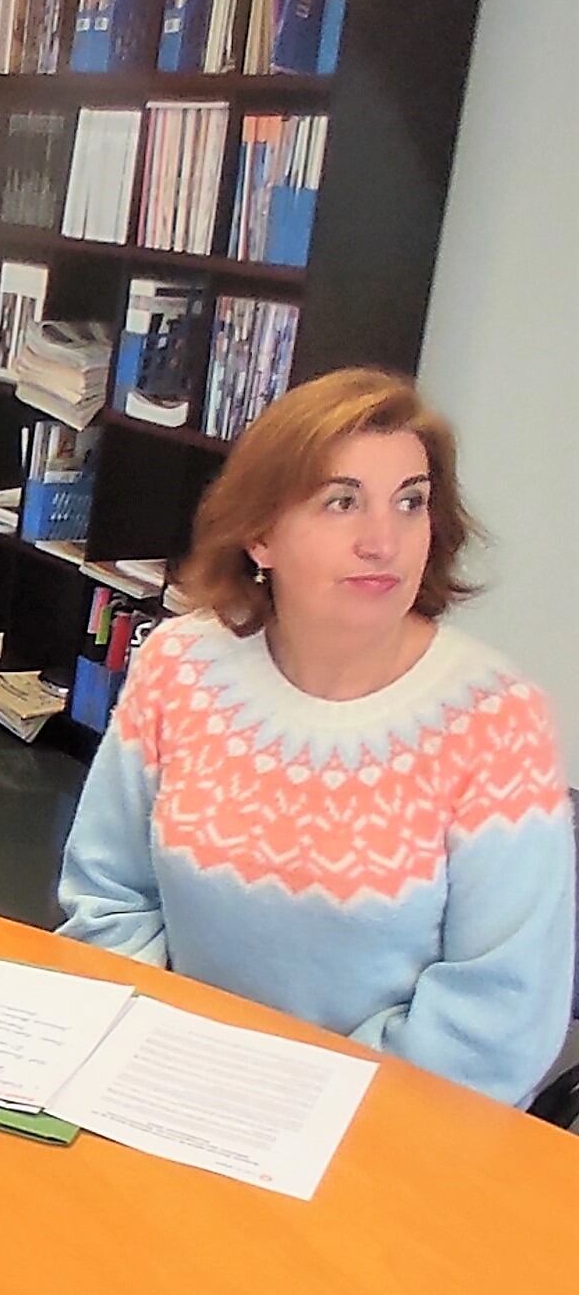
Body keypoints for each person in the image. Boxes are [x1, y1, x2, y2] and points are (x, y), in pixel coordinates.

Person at [58, 368, 574, 1105]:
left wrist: (289, 1103)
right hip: (163, 1089)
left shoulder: (495, 722)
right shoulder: (180, 666)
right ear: (260, 535)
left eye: (410, 502)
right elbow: (106, 899)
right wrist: (164, 1070)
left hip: (386, 1133)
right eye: (340, 502)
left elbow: (498, 1020)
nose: (382, 541)